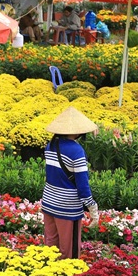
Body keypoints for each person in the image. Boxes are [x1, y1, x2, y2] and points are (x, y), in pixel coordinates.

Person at [41, 106, 98, 259]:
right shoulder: (76, 151)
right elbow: (82, 184)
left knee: (51, 245)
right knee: (68, 249)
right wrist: (92, 207)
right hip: (67, 207)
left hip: (48, 202)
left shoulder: (50, 145)